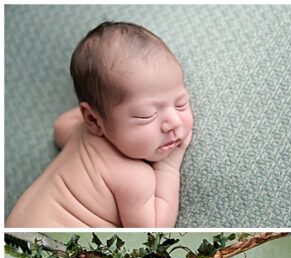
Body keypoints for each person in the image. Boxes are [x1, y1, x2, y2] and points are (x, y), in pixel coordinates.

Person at [6, 22, 193, 228]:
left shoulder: (80, 132)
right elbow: (156, 231)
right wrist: (168, 166)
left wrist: (102, 110)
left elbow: (59, 128)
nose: (173, 122)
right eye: (146, 115)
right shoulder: (134, 178)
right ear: (93, 120)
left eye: (181, 103)